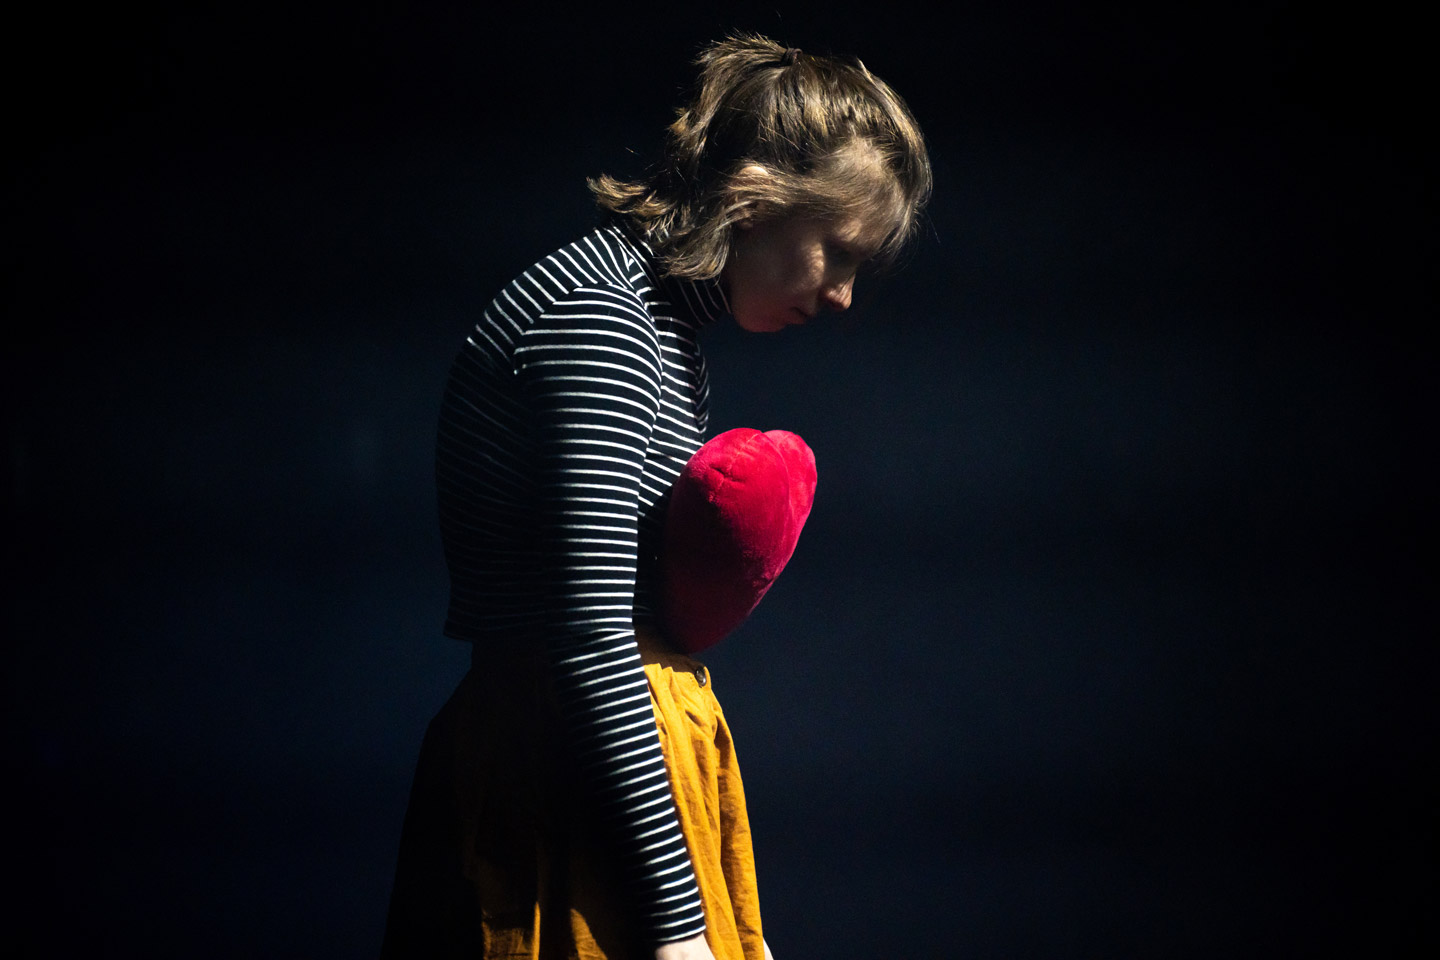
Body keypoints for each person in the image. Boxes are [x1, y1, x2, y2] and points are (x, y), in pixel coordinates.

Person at [381, 33, 931, 960]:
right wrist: (677, 930)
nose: (841, 295)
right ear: (758, 196)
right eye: (838, 250)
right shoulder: (599, 321)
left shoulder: (661, 331)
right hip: (552, 797)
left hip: (591, 783)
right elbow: (591, 644)